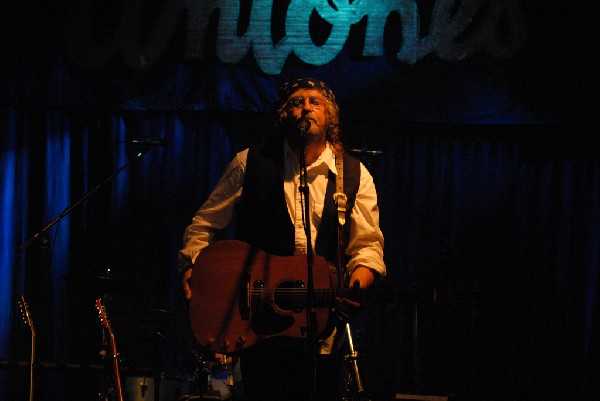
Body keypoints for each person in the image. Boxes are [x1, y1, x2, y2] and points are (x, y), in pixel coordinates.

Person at [178, 78, 386, 401]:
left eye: (315, 102)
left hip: (321, 333)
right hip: (258, 329)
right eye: (296, 102)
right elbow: (202, 225)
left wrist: (356, 285)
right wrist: (194, 267)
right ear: (283, 115)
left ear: (331, 116)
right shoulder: (249, 164)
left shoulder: (355, 176)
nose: (305, 107)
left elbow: (368, 247)